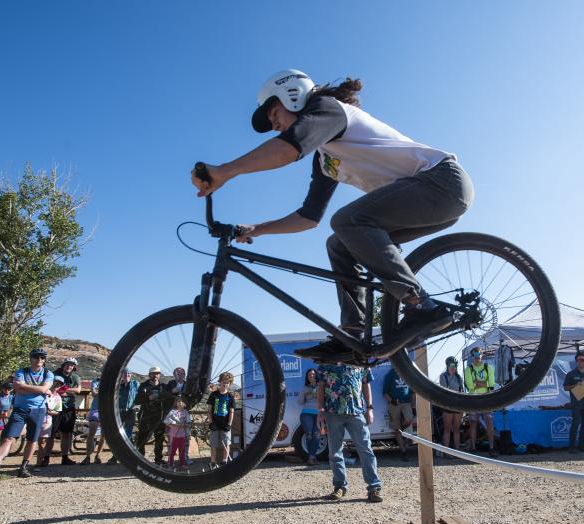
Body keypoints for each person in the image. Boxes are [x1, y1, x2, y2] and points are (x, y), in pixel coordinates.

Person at [191, 70, 474, 363]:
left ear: (294, 94)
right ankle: (351, 335)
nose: (274, 125)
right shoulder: (326, 158)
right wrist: (257, 229)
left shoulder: (328, 109)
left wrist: (225, 170)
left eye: (273, 113)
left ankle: (421, 306)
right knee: (338, 243)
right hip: (428, 199)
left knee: (348, 220)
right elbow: (309, 216)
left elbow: (288, 149)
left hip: (443, 182)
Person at [0, 348, 54, 479]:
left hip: (38, 410)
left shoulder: (48, 374)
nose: (39, 360)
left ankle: (24, 467)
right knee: (8, 437)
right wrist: (37, 390)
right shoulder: (22, 371)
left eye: (42, 358)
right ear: (31, 358)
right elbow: (17, 387)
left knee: (32, 440)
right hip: (20, 409)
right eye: (36, 357)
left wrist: (25, 387)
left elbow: (43, 388)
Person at [315, 363, 382, 502]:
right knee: (335, 451)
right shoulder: (326, 363)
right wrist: (320, 411)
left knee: (365, 449)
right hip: (333, 412)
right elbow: (320, 387)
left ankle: (374, 488)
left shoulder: (359, 360)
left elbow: (366, 384)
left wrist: (369, 408)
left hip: (356, 411)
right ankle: (340, 486)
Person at [46, 357, 82, 466]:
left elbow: (78, 390)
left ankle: (65, 457)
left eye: (71, 365)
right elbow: (51, 388)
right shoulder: (54, 374)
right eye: (67, 364)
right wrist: (60, 391)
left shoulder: (75, 377)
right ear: (63, 365)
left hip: (69, 407)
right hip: (55, 406)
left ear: (74, 367)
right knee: (51, 433)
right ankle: (46, 457)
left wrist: (64, 390)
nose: (69, 366)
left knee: (66, 433)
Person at [134, 367, 172, 465]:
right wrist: (148, 398)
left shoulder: (163, 386)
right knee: (142, 437)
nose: (155, 375)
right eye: (153, 373)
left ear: (159, 375)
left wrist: (160, 395)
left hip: (159, 416)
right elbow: (137, 400)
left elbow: (170, 396)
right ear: (149, 375)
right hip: (145, 416)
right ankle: (140, 458)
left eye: (157, 373)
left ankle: (158, 459)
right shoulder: (143, 386)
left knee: (159, 438)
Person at [464, 347, 497, 456]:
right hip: (474, 399)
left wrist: (478, 383)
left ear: (482, 355)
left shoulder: (489, 367)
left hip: (487, 399)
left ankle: (491, 448)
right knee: (473, 423)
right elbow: (470, 386)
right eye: (474, 356)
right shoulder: (468, 369)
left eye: (479, 355)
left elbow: (491, 385)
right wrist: (484, 383)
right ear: (472, 357)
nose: (477, 358)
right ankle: (473, 448)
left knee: (489, 422)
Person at [562, 353, 584, 453]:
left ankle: (582, 446)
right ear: (576, 362)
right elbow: (565, 388)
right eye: (578, 360)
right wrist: (574, 385)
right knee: (575, 424)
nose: (580, 362)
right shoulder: (571, 374)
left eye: (582, 360)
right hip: (576, 404)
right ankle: (572, 447)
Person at [383, 367, 415, 461]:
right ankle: (403, 452)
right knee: (397, 429)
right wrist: (392, 401)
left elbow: (412, 393)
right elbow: (384, 393)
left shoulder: (407, 374)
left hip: (406, 402)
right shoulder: (389, 375)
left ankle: (403, 435)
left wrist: (413, 407)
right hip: (394, 404)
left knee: (409, 419)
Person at [207, 372, 237, 468]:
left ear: (230, 384)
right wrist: (211, 422)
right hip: (215, 423)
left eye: (227, 382)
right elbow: (209, 410)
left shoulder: (230, 396)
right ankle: (212, 462)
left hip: (225, 423)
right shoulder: (213, 394)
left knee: (226, 443)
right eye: (223, 382)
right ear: (220, 382)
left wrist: (229, 424)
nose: (225, 384)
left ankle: (224, 461)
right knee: (213, 444)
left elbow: (231, 411)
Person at [111, 369, 139, 465]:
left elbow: (139, 396)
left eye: (128, 374)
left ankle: (128, 457)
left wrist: (137, 406)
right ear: (121, 375)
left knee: (128, 434)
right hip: (119, 411)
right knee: (117, 434)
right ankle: (115, 456)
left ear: (131, 375)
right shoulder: (118, 385)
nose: (127, 375)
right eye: (125, 374)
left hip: (130, 411)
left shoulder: (135, 384)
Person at [437, 356, 464, 456]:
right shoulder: (443, 376)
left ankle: (457, 452)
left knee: (456, 429)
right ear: (447, 366)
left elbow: (461, 391)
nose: (454, 367)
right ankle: (447, 451)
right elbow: (445, 390)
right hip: (447, 406)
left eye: (455, 365)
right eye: (452, 365)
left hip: (458, 406)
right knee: (447, 429)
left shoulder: (459, 377)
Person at [296, 368, 319, 464]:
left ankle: (312, 457)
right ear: (307, 377)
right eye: (310, 375)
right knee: (309, 435)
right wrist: (305, 394)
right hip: (306, 414)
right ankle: (311, 457)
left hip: (318, 414)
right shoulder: (305, 388)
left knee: (317, 435)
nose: (312, 376)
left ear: (316, 376)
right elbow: (299, 402)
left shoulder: (321, 387)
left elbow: (326, 400)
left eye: (313, 374)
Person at [163, 398, 191, 470]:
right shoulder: (172, 412)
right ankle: (170, 464)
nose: (180, 403)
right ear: (176, 403)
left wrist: (182, 425)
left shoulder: (186, 413)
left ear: (184, 404)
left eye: (182, 402)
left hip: (182, 435)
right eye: (178, 401)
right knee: (172, 451)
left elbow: (188, 424)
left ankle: (182, 464)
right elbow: (166, 421)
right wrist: (173, 424)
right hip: (173, 435)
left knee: (182, 450)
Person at [81, 378, 104, 465]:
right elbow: (94, 394)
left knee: (103, 435)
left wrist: (100, 392)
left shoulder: (111, 382)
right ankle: (88, 456)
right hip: (95, 410)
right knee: (91, 434)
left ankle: (98, 455)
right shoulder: (96, 381)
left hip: (106, 410)